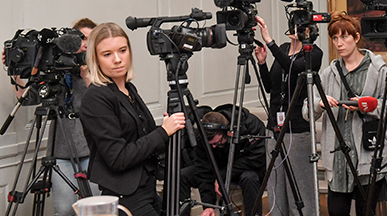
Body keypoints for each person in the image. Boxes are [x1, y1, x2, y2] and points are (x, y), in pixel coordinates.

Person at [79, 22, 186, 216]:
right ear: (95, 59)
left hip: (146, 186)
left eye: (122, 50)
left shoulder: (128, 89)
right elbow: (118, 157)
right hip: (124, 193)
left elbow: (138, 136)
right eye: (107, 54)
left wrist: (164, 129)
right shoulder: (95, 97)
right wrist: (162, 132)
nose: (118, 59)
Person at [5, 18, 100, 216]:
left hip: (94, 150)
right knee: (65, 210)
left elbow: (104, 102)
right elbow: (28, 98)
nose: (84, 44)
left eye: (90, 40)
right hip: (61, 152)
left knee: (95, 209)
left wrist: (86, 75)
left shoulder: (100, 71)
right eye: (80, 39)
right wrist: (15, 71)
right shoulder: (55, 71)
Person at [302, 12, 387, 216]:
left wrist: (364, 105)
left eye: (344, 37)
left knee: (365, 212)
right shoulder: (328, 73)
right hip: (338, 159)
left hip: (367, 157)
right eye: (334, 38)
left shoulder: (377, 70)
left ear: (357, 37)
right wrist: (319, 104)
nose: (339, 43)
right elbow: (307, 112)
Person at [254, 15, 322, 216]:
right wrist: (262, 63)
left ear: (308, 30)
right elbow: (270, 87)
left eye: (300, 25)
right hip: (274, 126)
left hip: (297, 129)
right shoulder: (283, 48)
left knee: (300, 188)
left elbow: (293, 69)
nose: (295, 28)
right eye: (293, 23)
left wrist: (269, 41)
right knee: (275, 185)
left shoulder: (313, 53)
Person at [179, 106, 266, 216]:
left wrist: (222, 175)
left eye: (218, 142)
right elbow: (203, 171)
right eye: (211, 145)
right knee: (182, 176)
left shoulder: (250, 124)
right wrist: (208, 206)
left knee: (250, 178)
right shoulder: (202, 137)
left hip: (245, 168)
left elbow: (257, 159)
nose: (214, 147)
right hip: (217, 167)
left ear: (227, 132)